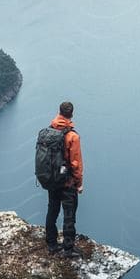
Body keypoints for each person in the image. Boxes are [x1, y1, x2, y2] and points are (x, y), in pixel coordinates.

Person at [44, 100, 84, 256]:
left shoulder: (49, 131)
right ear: (71, 114)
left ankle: (52, 244)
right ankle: (68, 248)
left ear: (59, 112)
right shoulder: (72, 136)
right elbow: (75, 163)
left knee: (52, 211)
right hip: (67, 182)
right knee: (69, 215)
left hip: (52, 180)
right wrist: (79, 183)